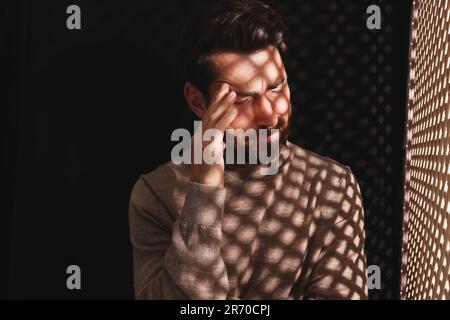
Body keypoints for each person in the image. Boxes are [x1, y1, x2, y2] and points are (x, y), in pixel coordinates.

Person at [129, 0, 368, 299]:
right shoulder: (155, 195)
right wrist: (204, 191)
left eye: (276, 87)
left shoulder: (331, 186)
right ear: (198, 102)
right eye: (241, 99)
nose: (269, 114)